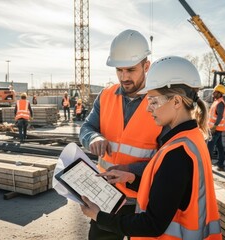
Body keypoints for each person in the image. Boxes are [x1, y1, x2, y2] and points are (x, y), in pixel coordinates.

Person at [81, 56, 222, 239]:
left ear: (177, 102)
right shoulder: (191, 139)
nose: (148, 108)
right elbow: (167, 191)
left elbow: (152, 224)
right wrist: (131, 177)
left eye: (154, 101)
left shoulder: (177, 153)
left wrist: (99, 217)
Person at [79, 29, 164, 240]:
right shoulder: (106, 95)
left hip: (143, 200)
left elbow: (166, 160)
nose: (124, 77)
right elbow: (86, 128)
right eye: (119, 70)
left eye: (130, 70)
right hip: (107, 197)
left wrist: (130, 170)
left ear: (146, 66)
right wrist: (93, 138)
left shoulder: (161, 101)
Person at [207, 84, 225, 171]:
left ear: (219, 93)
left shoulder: (220, 103)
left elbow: (220, 116)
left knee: (210, 146)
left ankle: (207, 164)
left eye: (215, 92)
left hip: (216, 129)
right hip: (215, 128)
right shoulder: (216, 101)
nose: (213, 93)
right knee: (219, 146)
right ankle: (221, 164)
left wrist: (214, 127)